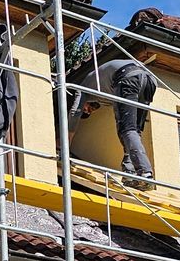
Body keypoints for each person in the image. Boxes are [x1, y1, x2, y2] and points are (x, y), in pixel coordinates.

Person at [66, 53, 158, 181]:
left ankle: (144, 173)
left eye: (85, 110)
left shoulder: (83, 88)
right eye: (88, 112)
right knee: (134, 131)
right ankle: (130, 170)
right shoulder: (106, 96)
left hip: (127, 76)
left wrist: (65, 144)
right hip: (150, 80)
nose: (87, 110)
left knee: (127, 130)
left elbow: (75, 113)